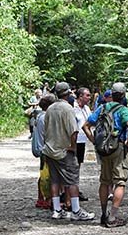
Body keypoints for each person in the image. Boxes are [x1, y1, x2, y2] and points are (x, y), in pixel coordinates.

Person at [83, 82, 128, 227]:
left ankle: (103, 213)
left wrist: (94, 141)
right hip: (117, 148)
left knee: (105, 181)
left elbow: (85, 126)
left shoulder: (101, 108)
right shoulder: (123, 110)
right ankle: (112, 217)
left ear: (111, 94)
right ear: (123, 95)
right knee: (119, 181)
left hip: (103, 149)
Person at [42, 82, 95, 221]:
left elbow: (45, 129)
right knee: (72, 180)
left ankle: (57, 210)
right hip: (64, 150)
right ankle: (76, 211)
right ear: (68, 93)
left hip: (50, 149)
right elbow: (74, 130)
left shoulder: (50, 109)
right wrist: (73, 147)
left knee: (55, 180)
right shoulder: (68, 109)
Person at [32, 93, 56, 209]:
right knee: (47, 175)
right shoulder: (45, 117)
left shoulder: (40, 116)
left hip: (42, 148)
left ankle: (42, 198)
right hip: (45, 149)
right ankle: (45, 198)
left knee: (44, 173)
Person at [73, 87, 92, 201]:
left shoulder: (87, 108)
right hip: (74, 141)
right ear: (80, 96)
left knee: (78, 166)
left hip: (82, 141)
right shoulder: (73, 108)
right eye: (87, 95)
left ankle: (76, 189)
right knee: (72, 166)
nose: (89, 98)